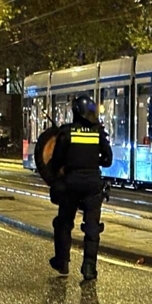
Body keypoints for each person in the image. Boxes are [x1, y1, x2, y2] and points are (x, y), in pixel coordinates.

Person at [47, 95, 113, 281]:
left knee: (64, 223)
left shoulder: (67, 133)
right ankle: (89, 267)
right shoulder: (98, 132)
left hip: (71, 183)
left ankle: (62, 262)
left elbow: (56, 161)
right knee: (92, 227)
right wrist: (93, 161)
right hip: (93, 184)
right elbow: (108, 160)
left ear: (75, 112)